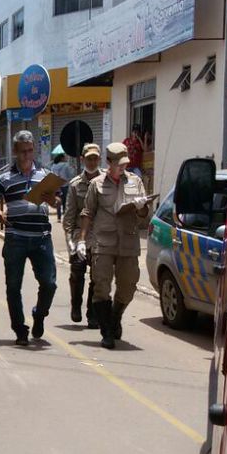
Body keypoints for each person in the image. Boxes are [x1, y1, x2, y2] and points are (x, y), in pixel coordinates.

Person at [79, 142, 154, 349]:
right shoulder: (96, 184)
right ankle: (107, 332)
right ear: (108, 163)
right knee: (101, 286)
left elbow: (143, 215)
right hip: (103, 242)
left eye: (125, 164)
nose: (123, 168)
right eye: (119, 164)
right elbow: (87, 212)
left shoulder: (135, 181)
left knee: (128, 285)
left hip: (128, 241)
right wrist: (81, 240)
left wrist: (141, 207)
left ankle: (116, 315)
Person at [0, 131, 59, 345]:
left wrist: (52, 199)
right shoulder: (4, 178)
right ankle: (20, 330)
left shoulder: (45, 175)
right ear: (15, 152)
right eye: (23, 151)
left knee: (49, 283)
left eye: (30, 150)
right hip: (15, 237)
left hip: (41, 237)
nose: (27, 155)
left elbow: (57, 203)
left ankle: (39, 315)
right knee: (13, 286)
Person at [61, 142, 104, 327]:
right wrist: (70, 243)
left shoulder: (107, 182)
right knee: (77, 272)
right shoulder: (75, 185)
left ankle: (92, 312)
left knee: (98, 276)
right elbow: (69, 216)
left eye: (95, 158)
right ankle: (76, 305)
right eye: (89, 158)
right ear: (82, 160)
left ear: (99, 159)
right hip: (80, 235)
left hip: (101, 235)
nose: (92, 162)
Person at [50, 150, 77, 216]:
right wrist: (73, 169)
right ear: (62, 158)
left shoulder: (53, 166)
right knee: (65, 201)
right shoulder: (66, 165)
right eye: (65, 157)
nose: (66, 159)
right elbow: (70, 175)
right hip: (65, 185)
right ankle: (65, 214)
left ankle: (59, 216)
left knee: (58, 201)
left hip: (56, 186)